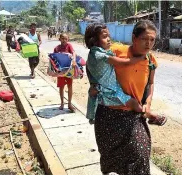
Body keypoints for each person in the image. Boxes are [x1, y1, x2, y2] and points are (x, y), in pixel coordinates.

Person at [85, 21, 166, 175]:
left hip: (133, 116)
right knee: (112, 160)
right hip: (108, 116)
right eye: (144, 39)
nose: (148, 44)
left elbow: (150, 83)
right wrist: (93, 85)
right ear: (134, 38)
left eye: (152, 40)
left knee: (140, 156)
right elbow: (91, 64)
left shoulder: (150, 60)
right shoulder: (115, 51)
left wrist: (147, 103)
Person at [53, 33, 76, 112]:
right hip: (61, 71)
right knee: (61, 87)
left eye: (66, 39)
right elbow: (53, 58)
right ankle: (62, 103)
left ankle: (69, 103)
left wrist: (74, 61)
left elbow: (74, 53)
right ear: (59, 39)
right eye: (62, 38)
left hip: (69, 70)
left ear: (68, 40)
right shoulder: (56, 48)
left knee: (70, 86)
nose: (64, 40)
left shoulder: (69, 46)